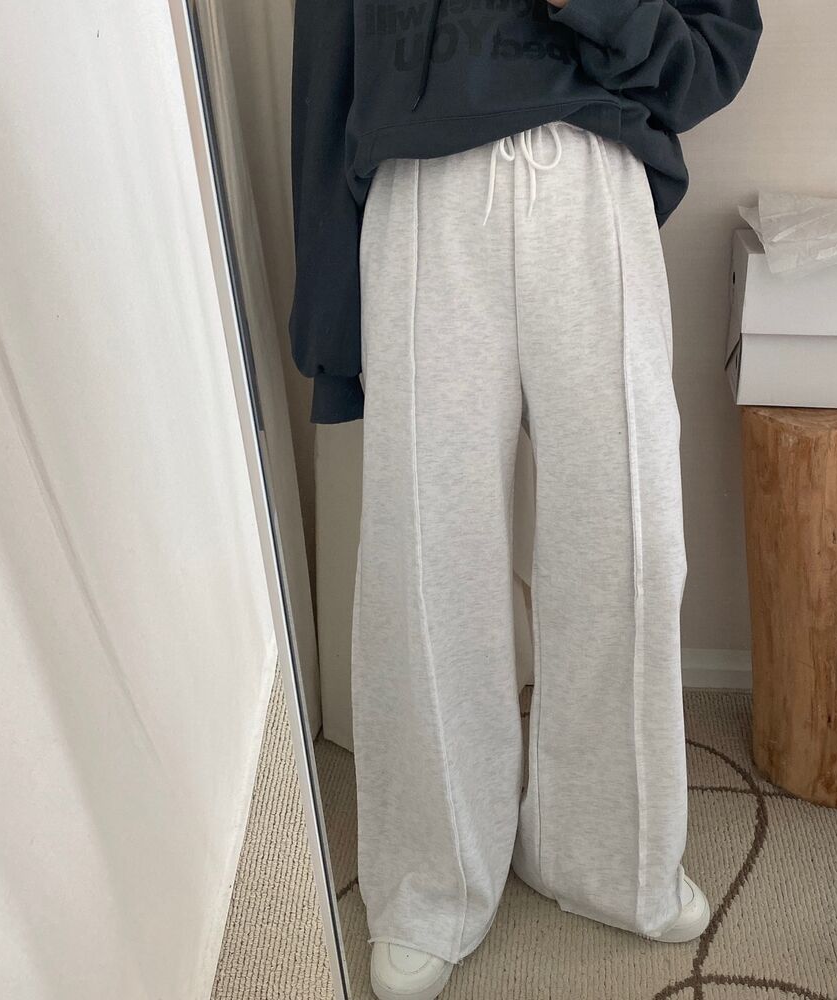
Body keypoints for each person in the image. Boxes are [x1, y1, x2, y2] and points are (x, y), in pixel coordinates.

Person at [289, 1, 762, 997]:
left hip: (594, 180)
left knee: (630, 543)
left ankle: (612, 854)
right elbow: (328, 57)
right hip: (422, 187)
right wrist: (331, 327)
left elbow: (716, 47)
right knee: (427, 552)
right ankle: (432, 878)